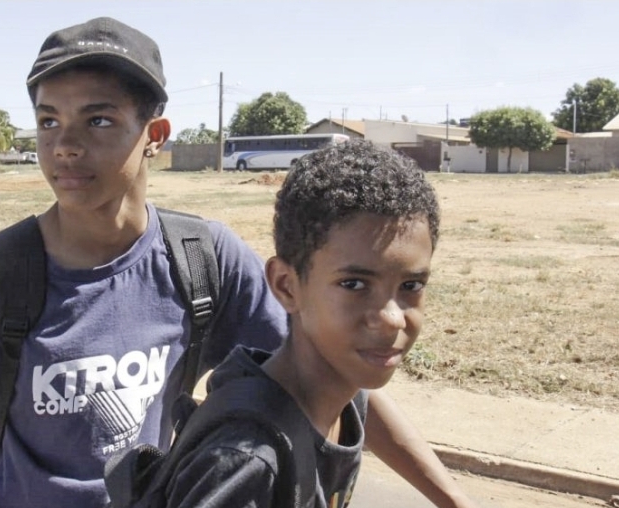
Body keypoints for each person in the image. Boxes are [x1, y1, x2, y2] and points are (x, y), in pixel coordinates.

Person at [0, 17, 476, 508]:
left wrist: (451, 499)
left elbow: (339, 369)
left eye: (99, 120)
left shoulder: (203, 259)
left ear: (156, 133)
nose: (65, 144)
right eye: (48, 120)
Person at [157, 140, 477, 508]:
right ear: (286, 286)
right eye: (354, 285)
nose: (391, 318)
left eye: (411, 286)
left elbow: (370, 403)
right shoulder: (248, 463)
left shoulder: (341, 389)